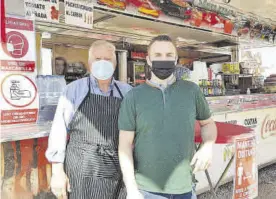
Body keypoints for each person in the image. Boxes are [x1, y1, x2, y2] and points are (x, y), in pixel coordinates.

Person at [118, 35, 217, 199]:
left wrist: (207, 146)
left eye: (169, 55)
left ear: (176, 59)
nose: (164, 60)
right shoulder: (133, 96)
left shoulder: (192, 91)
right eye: (157, 55)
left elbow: (208, 124)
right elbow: (124, 145)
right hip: (146, 190)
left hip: (185, 187)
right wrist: (131, 189)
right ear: (148, 60)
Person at [46, 40, 132, 199]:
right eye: (98, 59)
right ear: (90, 62)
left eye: (108, 59)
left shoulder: (127, 92)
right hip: (82, 167)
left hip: (117, 168)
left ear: (115, 63)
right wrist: (57, 172)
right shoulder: (74, 90)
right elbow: (58, 130)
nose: (103, 63)